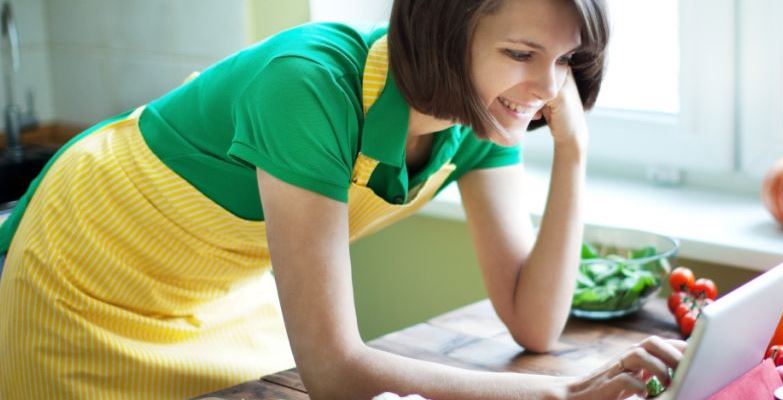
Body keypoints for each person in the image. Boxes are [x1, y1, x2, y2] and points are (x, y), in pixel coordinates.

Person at [0, 0, 686, 398]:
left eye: (567, 60)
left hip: (212, 291)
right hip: (88, 268)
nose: (548, 86)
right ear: (446, 30)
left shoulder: (481, 117)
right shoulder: (309, 84)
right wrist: (555, 393)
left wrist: (573, 153)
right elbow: (334, 370)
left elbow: (534, 323)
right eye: (520, 53)